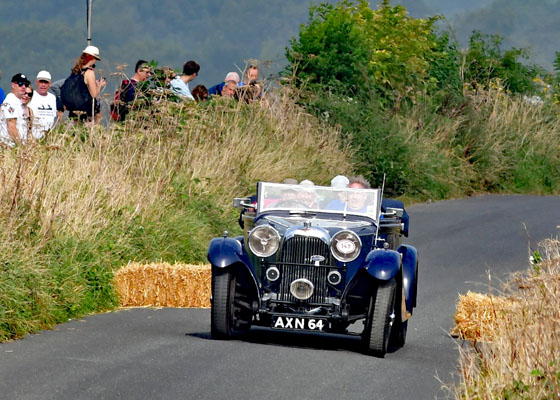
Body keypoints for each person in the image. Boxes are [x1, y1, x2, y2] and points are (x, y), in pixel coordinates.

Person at [63, 45, 106, 123]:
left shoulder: (76, 70)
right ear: (92, 58)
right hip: (86, 111)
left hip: (73, 111)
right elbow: (94, 94)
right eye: (95, 58)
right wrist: (99, 85)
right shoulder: (89, 73)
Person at [0, 73, 32, 146]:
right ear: (13, 85)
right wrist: (20, 146)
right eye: (20, 83)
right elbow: (11, 126)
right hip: (10, 146)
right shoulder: (11, 101)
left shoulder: (18, 102)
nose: (23, 86)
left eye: (25, 84)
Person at [29, 70, 59, 139]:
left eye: (46, 82)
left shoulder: (52, 98)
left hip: (49, 136)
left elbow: (54, 116)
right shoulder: (30, 96)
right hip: (34, 136)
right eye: (41, 82)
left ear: (50, 83)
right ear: (36, 82)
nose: (43, 85)